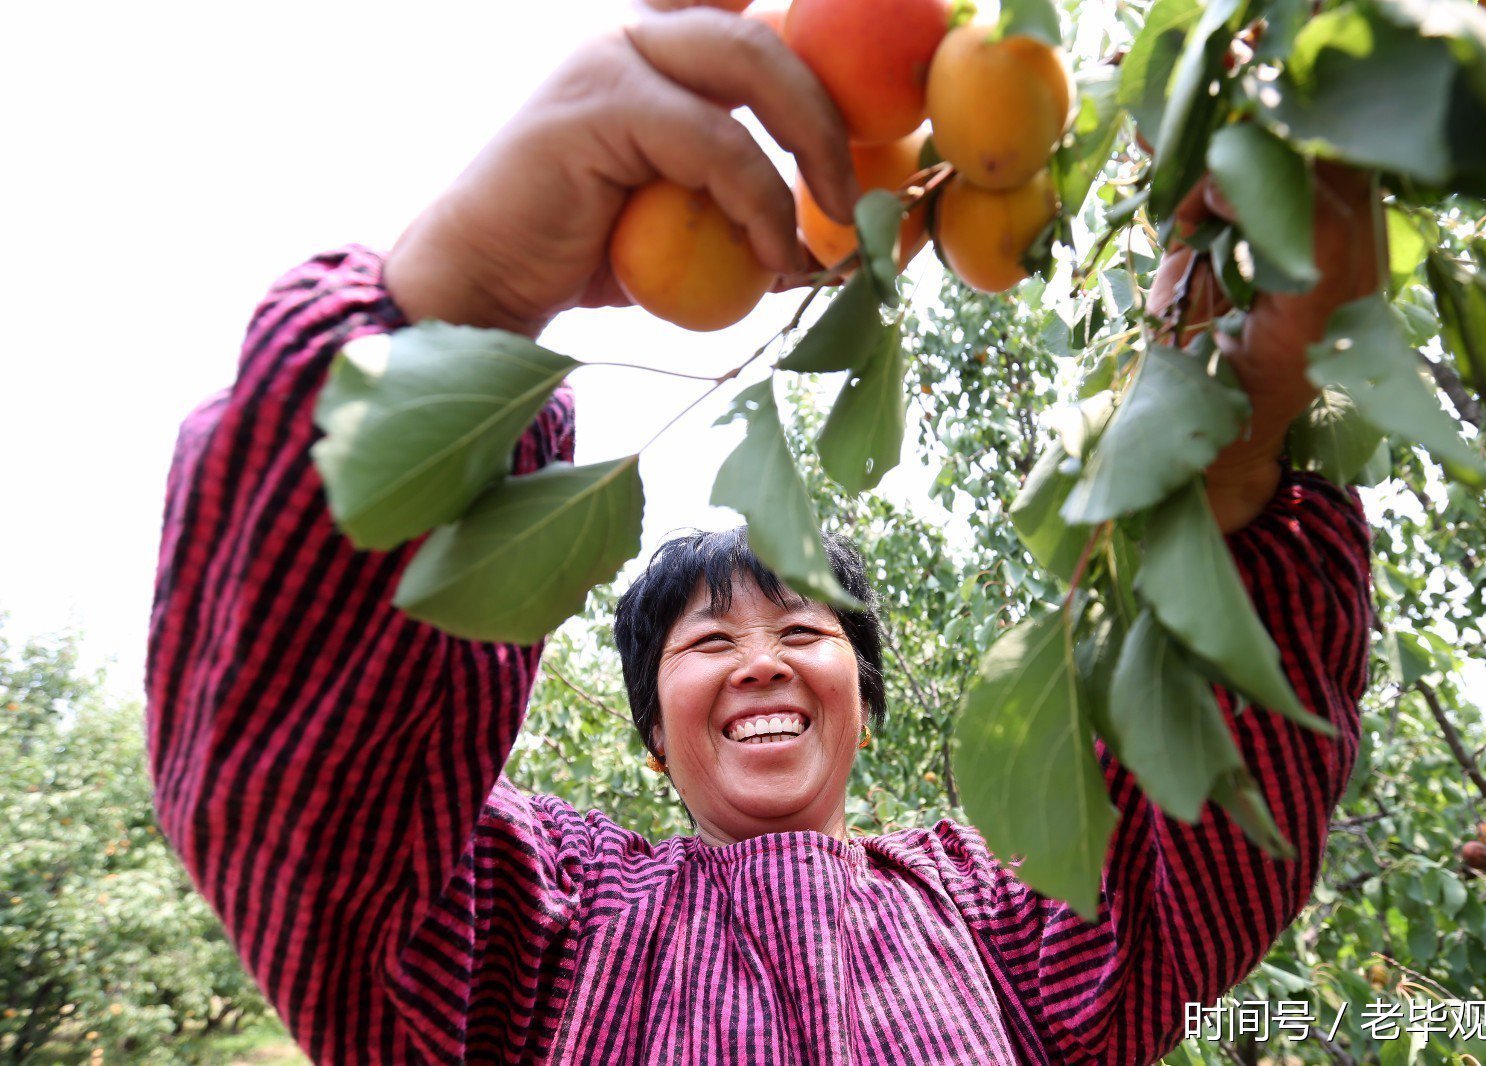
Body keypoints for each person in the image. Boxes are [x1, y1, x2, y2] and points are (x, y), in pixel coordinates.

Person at [145, 8, 1378, 1063]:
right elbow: (295, 800)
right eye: (704, 641)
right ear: (647, 734)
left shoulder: (1004, 919)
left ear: (862, 694)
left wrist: (1227, 441)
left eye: (802, 626)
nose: (763, 660)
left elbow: (1201, 857)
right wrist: (464, 289)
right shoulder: (535, 932)